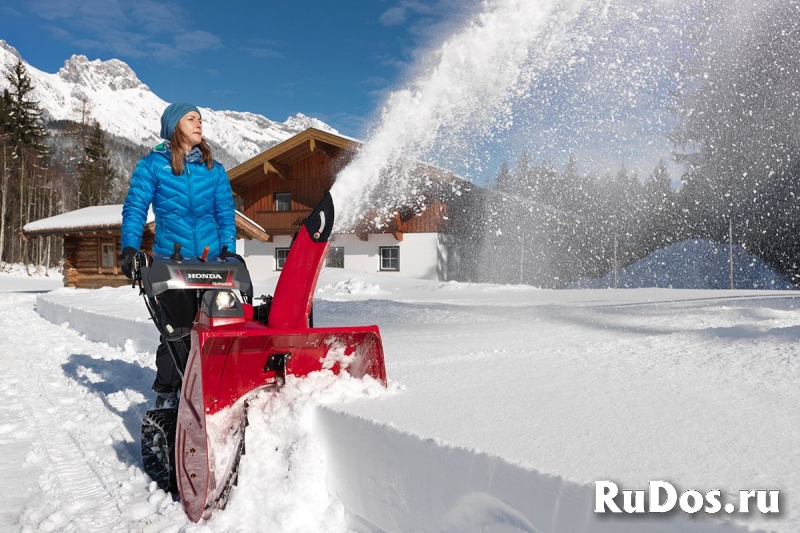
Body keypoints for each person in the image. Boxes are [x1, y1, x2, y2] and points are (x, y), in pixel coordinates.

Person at [119, 102, 237, 407]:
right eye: (191, 119)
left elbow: (225, 214)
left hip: (213, 264)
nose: (199, 123)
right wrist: (130, 248)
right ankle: (169, 392)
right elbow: (134, 209)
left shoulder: (214, 169)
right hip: (172, 263)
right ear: (174, 126)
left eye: (200, 119)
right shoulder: (153, 166)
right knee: (178, 330)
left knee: (222, 325)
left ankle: (218, 385)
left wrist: (228, 251)